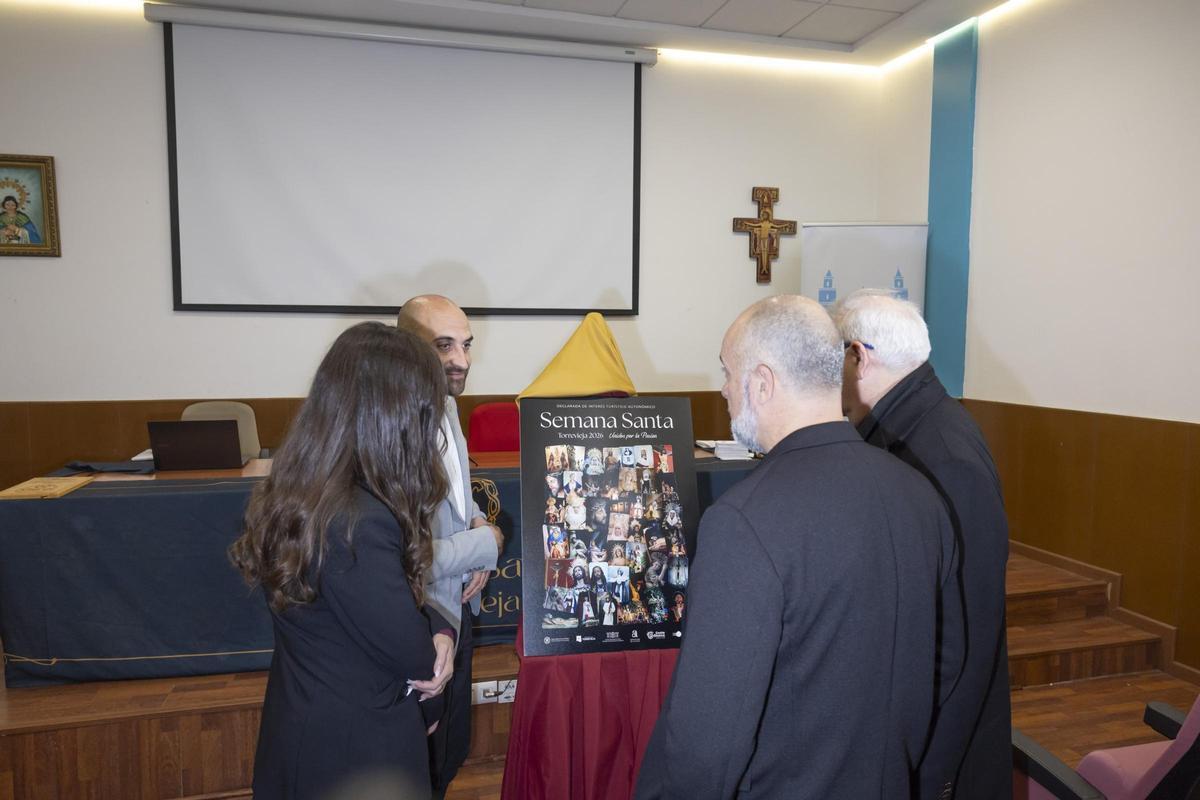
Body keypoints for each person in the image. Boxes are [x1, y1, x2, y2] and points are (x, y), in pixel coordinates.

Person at [635, 295, 956, 800]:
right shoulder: (918, 492)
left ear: (761, 383)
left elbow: (709, 738)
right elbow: (947, 661)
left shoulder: (743, 522)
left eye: (726, 372)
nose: (722, 389)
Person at [230, 322, 455, 800]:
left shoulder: (301, 491)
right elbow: (413, 655)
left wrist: (439, 623)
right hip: (355, 757)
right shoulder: (359, 521)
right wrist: (438, 637)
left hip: (302, 725)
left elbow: (360, 606)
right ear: (393, 417)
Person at [836, 289, 1011, 800]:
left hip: (940, 754)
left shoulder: (943, 453)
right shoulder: (905, 425)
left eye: (836, 359)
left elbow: (965, 640)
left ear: (858, 356)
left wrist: (928, 769)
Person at [397, 295, 503, 798]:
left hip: (456, 613)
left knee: (450, 753)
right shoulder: (391, 428)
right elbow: (399, 556)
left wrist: (478, 519)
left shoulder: (447, 406)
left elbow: (457, 495)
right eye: (444, 346)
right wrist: (486, 543)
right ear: (407, 347)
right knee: (421, 767)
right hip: (417, 620)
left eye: (465, 345)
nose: (461, 360)